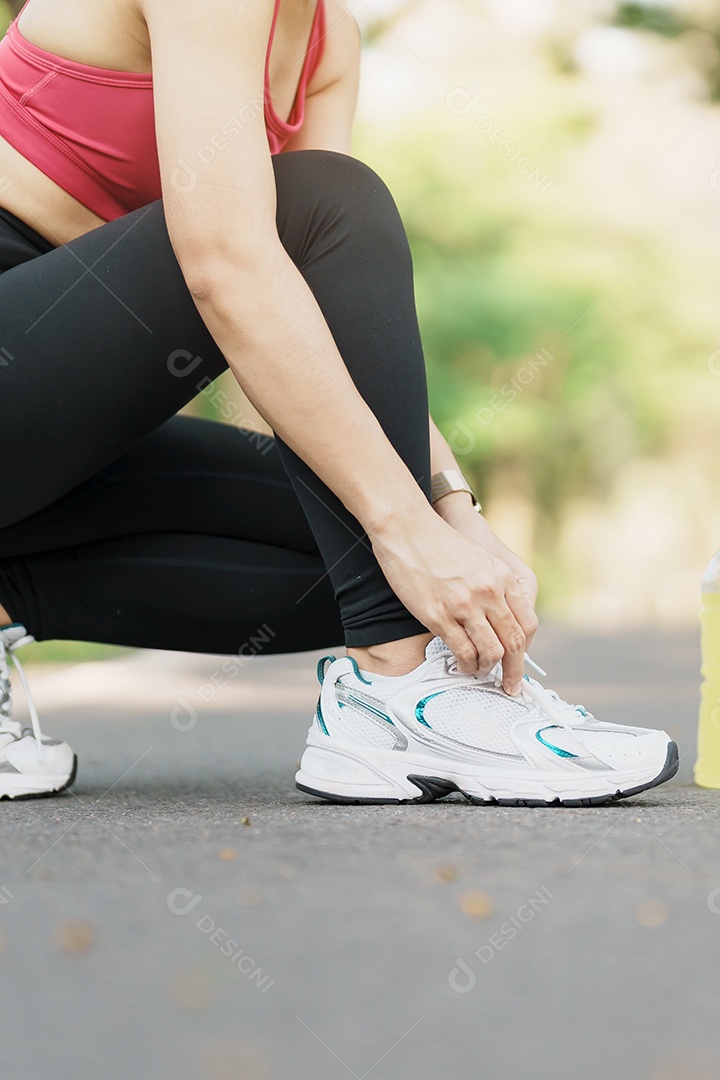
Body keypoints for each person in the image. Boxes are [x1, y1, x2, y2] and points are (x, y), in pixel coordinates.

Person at [0, 0, 678, 805]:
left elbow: (319, 322)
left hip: (50, 441)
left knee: (369, 542)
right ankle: (398, 689)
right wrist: (403, 530)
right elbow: (231, 265)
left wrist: (451, 511)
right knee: (329, 201)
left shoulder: (330, 41)